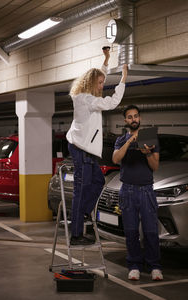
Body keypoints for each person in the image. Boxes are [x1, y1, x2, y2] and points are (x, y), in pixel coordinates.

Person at [66, 48, 128, 245]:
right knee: (81, 190)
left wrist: (107, 60)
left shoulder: (82, 96)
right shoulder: (89, 100)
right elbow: (112, 103)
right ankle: (76, 234)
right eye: (100, 83)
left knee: (98, 183)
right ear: (92, 83)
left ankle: (81, 214)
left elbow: (99, 74)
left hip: (85, 149)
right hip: (82, 150)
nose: (102, 86)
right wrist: (123, 79)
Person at [112, 105, 163, 281]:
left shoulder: (151, 138)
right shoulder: (120, 140)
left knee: (150, 231)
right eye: (130, 117)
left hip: (146, 190)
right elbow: (116, 159)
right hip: (127, 191)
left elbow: (155, 166)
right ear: (125, 121)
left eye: (136, 116)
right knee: (131, 230)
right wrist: (130, 141)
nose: (134, 119)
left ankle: (154, 266)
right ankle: (134, 265)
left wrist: (148, 153)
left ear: (139, 118)